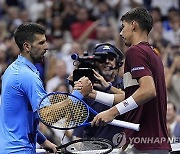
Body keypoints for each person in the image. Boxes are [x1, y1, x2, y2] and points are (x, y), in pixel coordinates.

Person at [0, 22, 92, 153]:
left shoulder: (12, 70)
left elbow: (19, 118)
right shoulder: (27, 76)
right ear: (27, 46)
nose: (46, 47)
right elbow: (48, 116)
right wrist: (78, 95)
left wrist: (44, 142)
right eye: (41, 43)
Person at [89, 7, 171, 153]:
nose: (120, 33)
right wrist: (92, 94)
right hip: (150, 143)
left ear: (133, 25)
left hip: (146, 146)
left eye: (123, 27)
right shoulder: (153, 54)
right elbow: (131, 98)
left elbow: (148, 91)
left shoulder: (135, 51)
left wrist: (112, 112)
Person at [73, 43, 125, 147]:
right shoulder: (87, 89)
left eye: (110, 58)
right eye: (102, 59)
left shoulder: (125, 85)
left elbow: (132, 100)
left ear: (117, 62)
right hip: (94, 148)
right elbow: (79, 128)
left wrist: (108, 87)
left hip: (121, 148)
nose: (106, 62)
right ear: (95, 63)